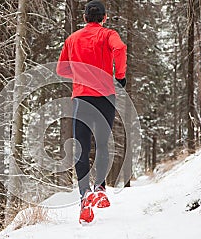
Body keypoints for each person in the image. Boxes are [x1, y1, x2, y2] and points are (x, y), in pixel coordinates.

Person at [56, 0, 127, 224]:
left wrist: (80, 74)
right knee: (103, 144)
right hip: (105, 96)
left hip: (81, 98)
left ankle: (84, 194)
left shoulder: (72, 39)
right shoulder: (108, 35)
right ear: (104, 18)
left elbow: (61, 69)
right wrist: (120, 75)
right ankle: (100, 189)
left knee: (82, 147)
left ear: (85, 18)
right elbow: (120, 48)